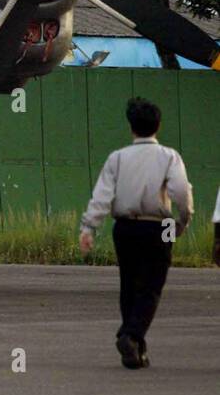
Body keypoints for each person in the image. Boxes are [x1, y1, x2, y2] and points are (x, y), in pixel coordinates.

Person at [79, 97, 192, 369]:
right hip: (161, 225)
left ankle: (137, 348)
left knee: (129, 284)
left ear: (131, 127)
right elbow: (180, 192)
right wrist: (182, 222)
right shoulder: (169, 157)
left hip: (125, 225)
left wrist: (88, 227)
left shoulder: (117, 158)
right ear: (158, 126)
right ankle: (130, 335)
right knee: (152, 286)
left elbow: (102, 196)